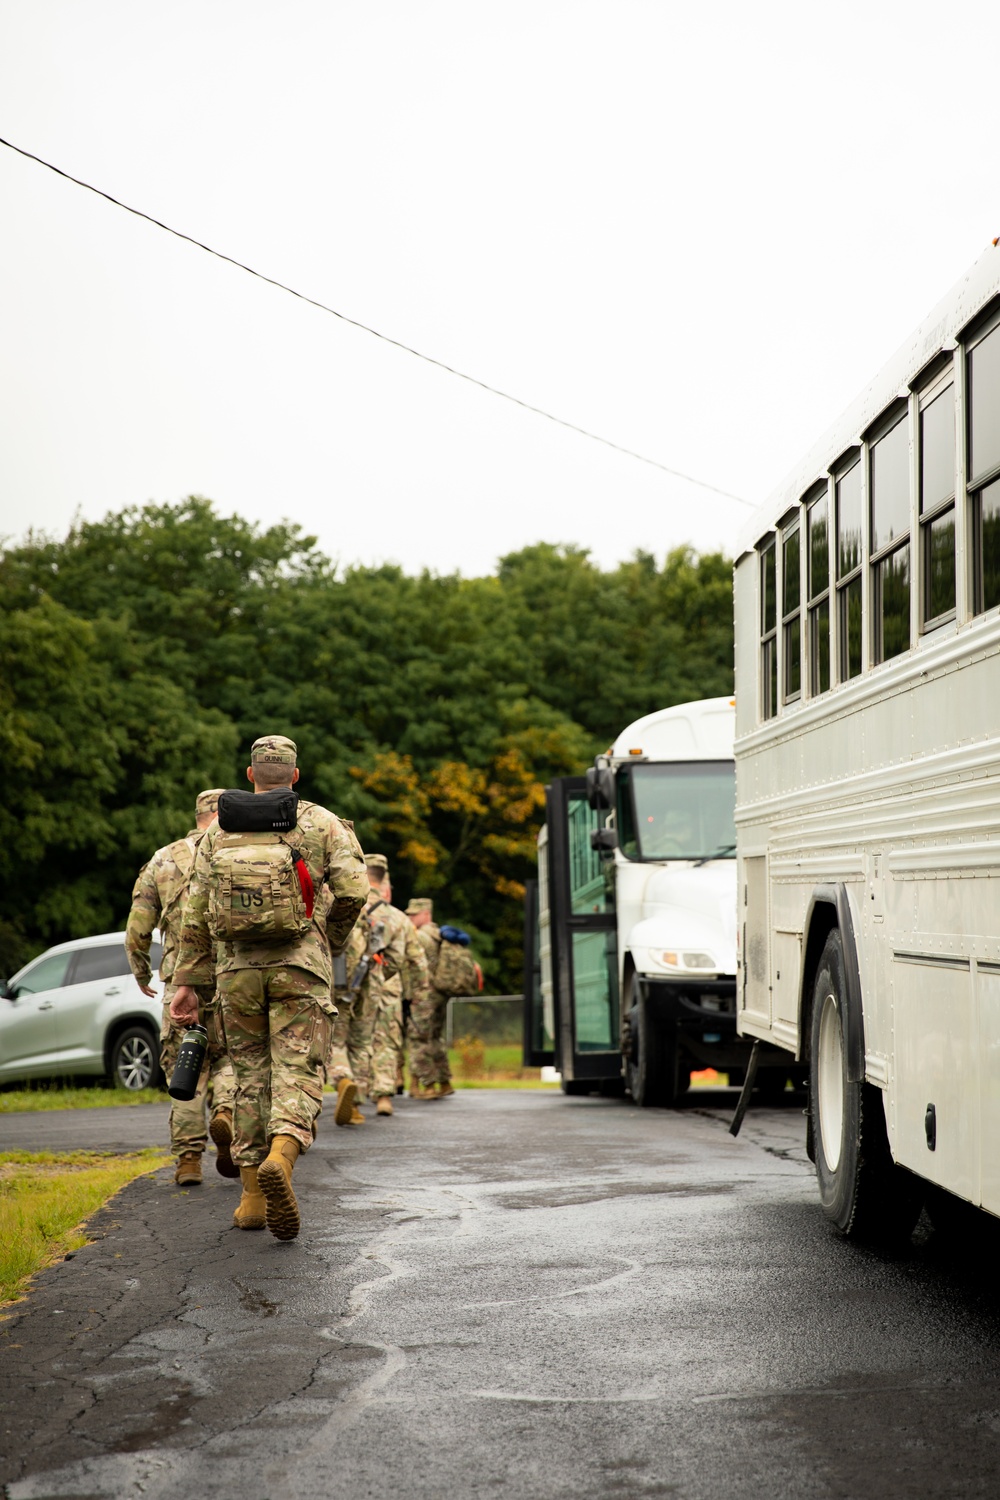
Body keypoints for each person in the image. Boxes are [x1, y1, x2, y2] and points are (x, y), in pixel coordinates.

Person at [170, 736, 368, 1241]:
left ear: (251, 773)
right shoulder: (321, 823)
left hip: (236, 973)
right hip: (300, 968)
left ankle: (254, 1197)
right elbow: (353, 890)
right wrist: (331, 938)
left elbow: (194, 913)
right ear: (295, 776)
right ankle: (284, 1153)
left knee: (251, 1075)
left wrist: (188, 983)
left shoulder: (218, 832)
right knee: (297, 1068)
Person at [125, 788, 237, 1186]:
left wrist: (141, 971)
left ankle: (189, 1160)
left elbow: (138, 927)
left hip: (180, 979)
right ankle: (225, 1113)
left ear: (198, 815)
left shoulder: (164, 858)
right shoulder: (239, 850)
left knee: (185, 1065)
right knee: (230, 1059)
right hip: (232, 976)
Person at [327, 855, 428, 1119]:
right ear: (384, 882)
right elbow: (411, 960)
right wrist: (391, 980)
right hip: (377, 984)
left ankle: (341, 1078)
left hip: (339, 980)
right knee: (368, 1042)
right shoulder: (397, 918)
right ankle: (368, 1100)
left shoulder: (343, 905)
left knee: (337, 1038)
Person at [405, 897, 453, 1099]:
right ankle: (444, 1082)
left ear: (426, 914)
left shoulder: (420, 937)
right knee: (434, 1038)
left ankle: (428, 1085)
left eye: (414, 914)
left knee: (418, 1039)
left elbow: (411, 966)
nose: (410, 918)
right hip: (440, 995)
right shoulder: (440, 934)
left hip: (423, 995)